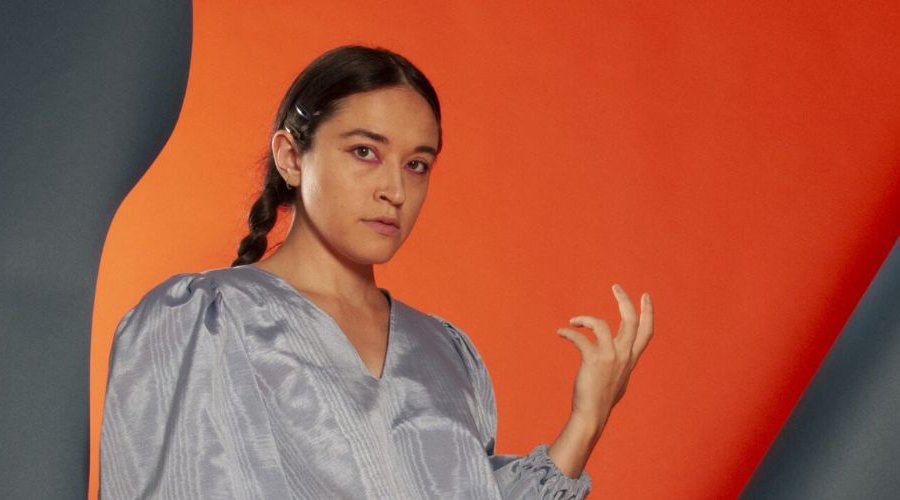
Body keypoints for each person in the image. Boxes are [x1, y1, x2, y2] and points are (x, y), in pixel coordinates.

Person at [100, 45, 653, 499]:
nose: (395, 190)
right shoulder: (204, 321)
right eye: (365, 152)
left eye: (417, 164)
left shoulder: (445, 351)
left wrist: (588, 419)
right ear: (291, 157)